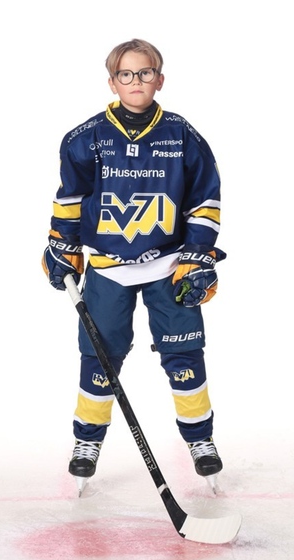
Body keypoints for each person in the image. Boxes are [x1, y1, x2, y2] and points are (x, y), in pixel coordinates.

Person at [42, 39, 227, 489]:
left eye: (145, 73)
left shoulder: (182, 135)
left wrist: (198, 255)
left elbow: (204, 201)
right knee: (99, 358)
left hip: (169, 265)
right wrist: (62, 246)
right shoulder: (85, 138)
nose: (136, 81)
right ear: (112, 82)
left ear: (159, 79)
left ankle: (200, 439)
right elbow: (70, 199)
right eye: (126, 74)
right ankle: (87, 440)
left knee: (184, 354)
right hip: (108, 268)